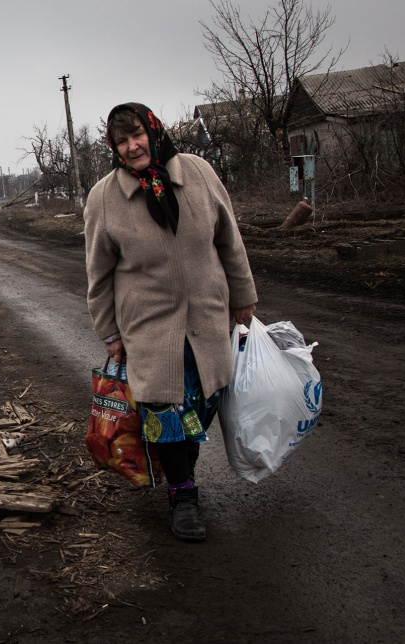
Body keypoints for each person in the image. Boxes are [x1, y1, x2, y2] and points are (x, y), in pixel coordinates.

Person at [83, 102, 257, 542]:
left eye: (137, 134)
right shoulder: (106, 196)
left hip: (207, 317)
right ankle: (183, 496)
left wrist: (243, 297)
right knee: (164, 415)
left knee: (201, 409)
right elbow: (98, 274)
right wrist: (109, 332)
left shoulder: (197, 172)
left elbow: (229, 241)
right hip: (150, 329)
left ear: (153, 131)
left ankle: (183, 474)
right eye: (121, 141)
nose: (132, 146)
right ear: (114, 147)